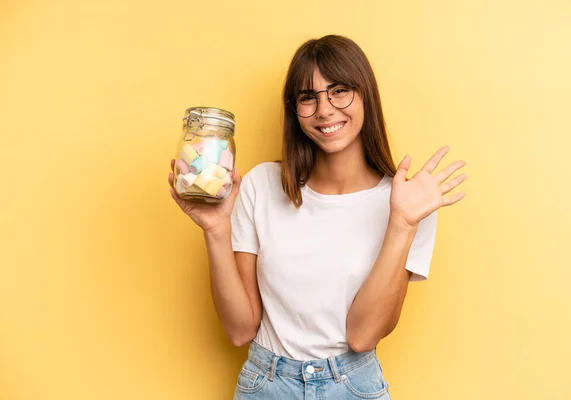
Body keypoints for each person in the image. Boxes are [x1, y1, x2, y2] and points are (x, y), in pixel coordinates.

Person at [168, 35, 467, 400]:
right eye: (308, 97)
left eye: (339, 90)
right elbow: (239, 330)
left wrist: (402, 225)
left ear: (365, 96)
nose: (325, 110)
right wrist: (216, 230)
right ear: (294, 109)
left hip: (353, 387)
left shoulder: (409, 202)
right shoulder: (261, 185)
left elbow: (362, 336)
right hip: (267, 385)